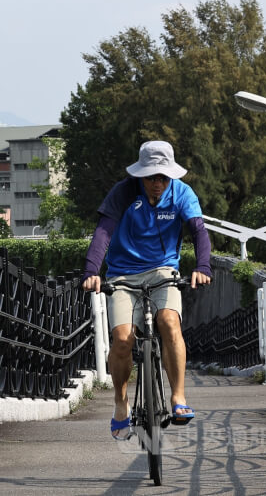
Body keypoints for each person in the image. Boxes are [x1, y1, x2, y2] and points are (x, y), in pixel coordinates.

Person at [81, 140, 212, 440]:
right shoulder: (123, 193)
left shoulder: (181, 193)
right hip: (122, 274)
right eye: (152, 177)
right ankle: (120, 400)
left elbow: (199, 231)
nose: (158, 183)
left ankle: (177, 397)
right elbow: (103, 233)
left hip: (163, 270)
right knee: (123, 339)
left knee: (169, 322)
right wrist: (91, 271)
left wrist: (202, 267)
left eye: (164, 177)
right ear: (141, 175)